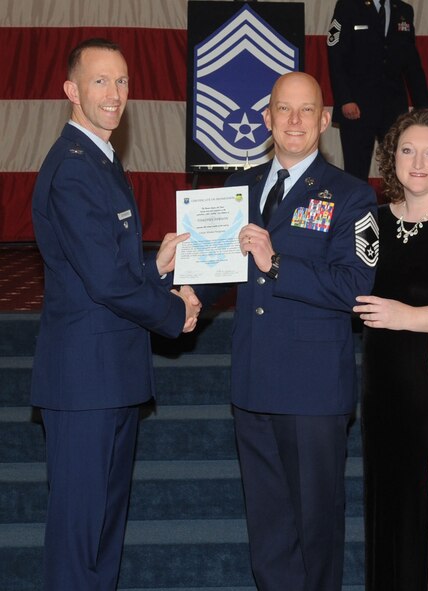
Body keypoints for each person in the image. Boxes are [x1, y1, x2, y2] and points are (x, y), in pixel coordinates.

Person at [30, 38, 200, 589]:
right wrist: (173, 313)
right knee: (81, 541)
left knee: (102, 537)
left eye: (122, 81)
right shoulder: (76, 167)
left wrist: (158, 267)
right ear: (71, 91)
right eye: (100, 81)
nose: (114, 93)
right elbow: (103, 282)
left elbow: (101, 272)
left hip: (108, 378)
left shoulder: (100, 161)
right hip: (86, 384)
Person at [219, 72, 378, 591]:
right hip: (251, 380)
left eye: (306, 110)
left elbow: (355, 286)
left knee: (315, 527)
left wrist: (276, 262)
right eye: (283, 110)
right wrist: (182, 282)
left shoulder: (352, 196)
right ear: (265, 119)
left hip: (313, 389)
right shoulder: (234, 188)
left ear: (324, 120)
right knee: (267, 528)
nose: (293, 121)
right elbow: (216, 265)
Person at [353, 109, 428, 591]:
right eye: (407, 150)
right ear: (391, 159)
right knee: (386, 499)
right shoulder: (371, 221)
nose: (418, 161)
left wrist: (410, 317)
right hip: (380, 387)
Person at [327, 0, 428, 181]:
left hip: (393, 107)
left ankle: (398, 208)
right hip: (357, 107)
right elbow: (336, 56)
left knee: (399, 167)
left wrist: (423, 105)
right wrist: (345, 99)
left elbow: (412, 63)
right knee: (356, 171)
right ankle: (357, 210)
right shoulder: (349, 6)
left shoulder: (404, 11)